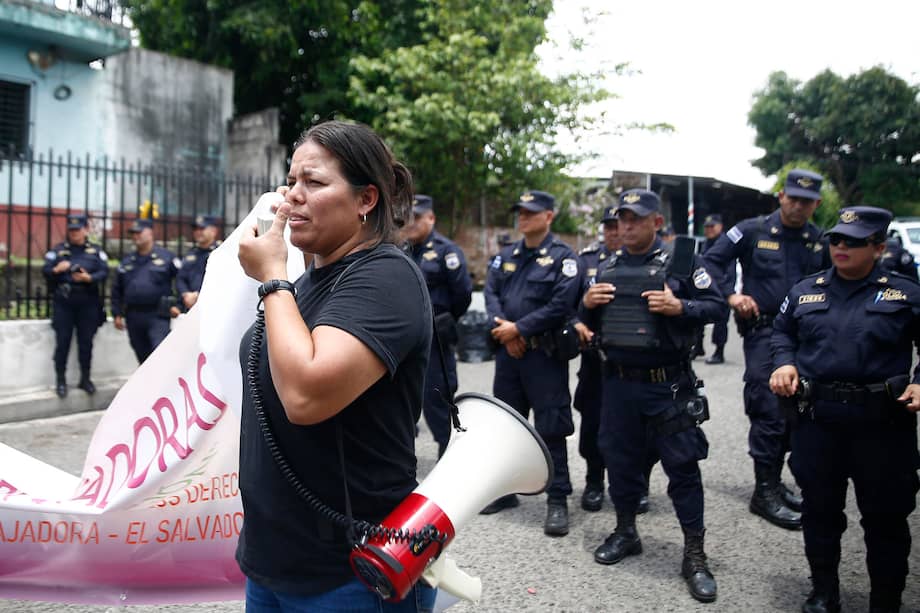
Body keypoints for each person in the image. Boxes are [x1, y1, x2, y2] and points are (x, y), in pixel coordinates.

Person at [235, 120, 436, 612]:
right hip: (276, 561)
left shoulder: (385, 277)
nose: (290, 197)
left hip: (352, 572)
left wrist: (273, 276)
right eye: (291, 180)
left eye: (314, 182)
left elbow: (305, 396)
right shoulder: (309, 282)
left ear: (366, 200)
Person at [770, 206, 920, 613]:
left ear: (878, 248)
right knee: (819, 513)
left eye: (853, 242)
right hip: (819, 422)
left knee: (886, 520)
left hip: (884, 426)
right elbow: (782, 333)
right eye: (836, 239)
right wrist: (784, 362)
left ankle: (885, 601)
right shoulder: (806, 291)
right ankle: (823, 591)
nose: (840, 247)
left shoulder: (904, 293)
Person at [580, 189, 726, 603]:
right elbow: (586, 322)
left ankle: (694, 553)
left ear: (656, 223)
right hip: (619, 384)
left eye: (635, 219)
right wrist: (585, 303)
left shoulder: (683, 263)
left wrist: (681, 308)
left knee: (682, 467)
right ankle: (626, 532)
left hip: (668, 384)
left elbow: (717, 307)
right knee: (621, 463)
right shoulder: (606, 265)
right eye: (621, 219)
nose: (625, 226)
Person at [703, 168, 829, 531]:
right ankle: (763, 492)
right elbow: (711, 261)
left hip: (804, 336)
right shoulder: (752, 229)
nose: (798, 206)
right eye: (793, 198)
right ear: (781, 196)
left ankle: (774, 481)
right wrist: (730, 295)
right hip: (763, 331)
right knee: (769, 405)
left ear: (816, 204)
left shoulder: (817, 240)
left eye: (807, 201)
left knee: (796, 407)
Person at [482, 189, 581, 537]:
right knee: (507, 426)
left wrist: (519, 329)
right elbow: (491, 293)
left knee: (552, 427)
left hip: (543, 355)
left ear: (549, 216)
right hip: (510, 356)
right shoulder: (506, 255)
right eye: (520, 211)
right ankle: (506, 492)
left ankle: (558, 500)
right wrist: (506, 332)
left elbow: (561, 304)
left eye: (530, 212)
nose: (522, 217)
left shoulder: (563, 258)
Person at [404, 194, 472, 458]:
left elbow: (463, 294)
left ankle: (449, 458)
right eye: (408, 217)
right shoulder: (402, 249)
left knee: (438, 399)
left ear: (431, 218)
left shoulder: (447, 251)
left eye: (417, 217)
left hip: (436, 339)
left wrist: (444, 320)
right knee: (404, 400)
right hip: (407, 337)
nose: (411, 222)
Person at [42, 214, 109, 398]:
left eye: (78, 230)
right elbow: (45, 270)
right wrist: (57, 269)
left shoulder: (95, 251)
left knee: (85, 343)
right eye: (71, 230)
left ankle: (85, 379)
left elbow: (104, 271)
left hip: (87, 302)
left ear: (86, 229)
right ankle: (61, 380)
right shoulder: (58, 251)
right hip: (64, 302)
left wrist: (90, 278)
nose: (74, 233)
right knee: (62, 342)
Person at [110, 218, 180, 363]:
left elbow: (181, 281)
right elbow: (117, 288)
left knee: (159, 353)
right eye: (133, 233)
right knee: (142, 355)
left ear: (150, 233)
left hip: (158, 314)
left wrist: (178, 305)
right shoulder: (127, 261)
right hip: (133, 315)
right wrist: (116, 313)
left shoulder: (166, 257)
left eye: (139, 232)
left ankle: (163, 385)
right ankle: (149, 385)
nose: (136, 236)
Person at [696, 214, 735, 364]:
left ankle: (719, 352)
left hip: (721, 288)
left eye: (712, 226)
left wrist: (728, 292)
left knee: (720, 322)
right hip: (704, 287)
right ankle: (698, 347)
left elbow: (730, 272)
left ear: (720, 226)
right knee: (697, 316)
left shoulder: (726, 243)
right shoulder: (705, 243)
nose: (709, 230)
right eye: (706, 227)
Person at [176, 214, 222, 311]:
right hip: (190, 307)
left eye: (202, 229)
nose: (198, 232)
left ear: (214, 231)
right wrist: (185, 294)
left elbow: (221, 280)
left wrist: (198, 295)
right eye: (196, 229)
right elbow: (181, 278)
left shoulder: (221, 252)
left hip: (213, 306)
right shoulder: (191, 253)